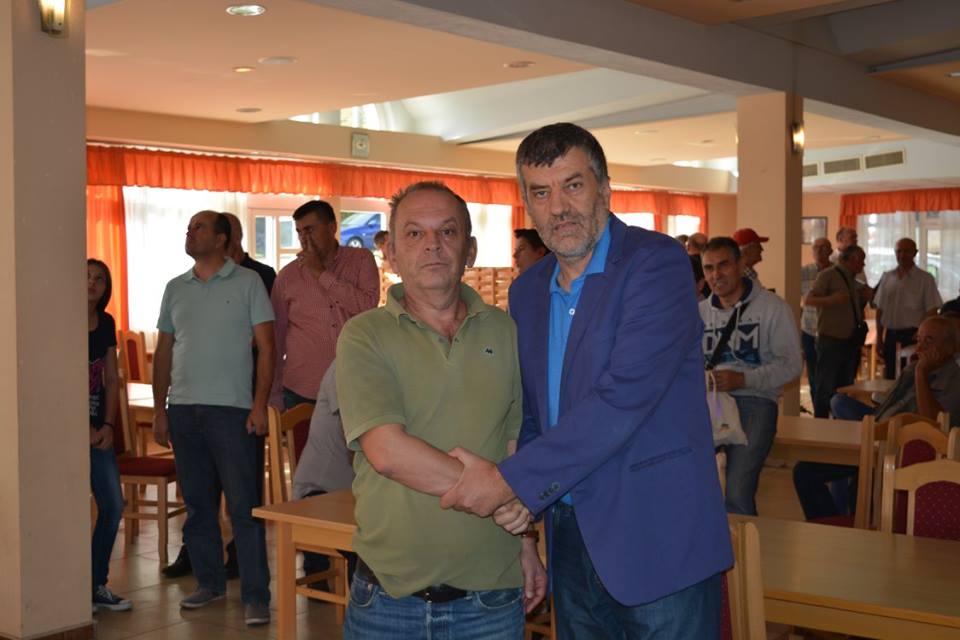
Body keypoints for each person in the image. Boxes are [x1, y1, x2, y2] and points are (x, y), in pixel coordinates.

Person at [439, 123, 731, 638]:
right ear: (528, 205)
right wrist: (524, 517)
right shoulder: (528, 291)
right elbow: (535, 413)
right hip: (570, 535)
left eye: (573, 185)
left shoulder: (656, 264)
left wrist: (508, 483)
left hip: (657, 532)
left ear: (605, 188)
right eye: (541, 193)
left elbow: (623, 398)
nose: (558, 208)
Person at [335, 181, 545, 640]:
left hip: (492, 595)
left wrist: (526, 539)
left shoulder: (507, 331)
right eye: (414, 233)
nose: (432, 244)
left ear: (470, 250)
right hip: (388, 597)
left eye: (447, 232)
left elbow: (515, 443)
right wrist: (500, 494)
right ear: (391, 254)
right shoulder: (363, 335)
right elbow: (387, 451)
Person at [152, 210, 275, 626]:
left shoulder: (248, 282)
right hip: (184, 410)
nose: (190, 233)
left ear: (222, 239)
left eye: (198, 227)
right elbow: (164, 351)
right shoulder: (175, 287)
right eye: (188, 228)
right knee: (198, 506)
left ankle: (256, 596)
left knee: (243, 508)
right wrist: (160, 409)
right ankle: (209, 583)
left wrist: (259, 404)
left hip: (233, 411)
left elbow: (267, 347)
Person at [793, 315, 960, 520]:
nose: (920, 347)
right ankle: (831, 524)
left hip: (898, 451)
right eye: (919, 340)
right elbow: (888, 404)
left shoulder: (953, 381)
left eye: (929, 340)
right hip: (875, 435)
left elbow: (933, 424)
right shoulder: (911, 369)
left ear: (950, 347)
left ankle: (841, 524)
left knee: (849, 484)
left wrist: (921, 375)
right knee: (804, 471)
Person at [700, 237, 802, 515]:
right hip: (708, 405)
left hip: (755, 402)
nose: (716, 275)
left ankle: (745, 544)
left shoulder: (773, 308)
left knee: (737, 491)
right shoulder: (698, 314)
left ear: (740, 265)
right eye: (709, 268)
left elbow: (792, 365)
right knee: (695, 489)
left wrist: (743, 380)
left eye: (723, 265)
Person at [270, 200, 379, 411]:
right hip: (301, 388)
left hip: (354, 383)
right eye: (299, 232)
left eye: (310, 230)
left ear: (332, 227)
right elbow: (277, 337)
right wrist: (274, 393)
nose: (304, 238)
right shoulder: (287, 276)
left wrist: (320, 273)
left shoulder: (361, 260)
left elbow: (368, 307)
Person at [87, 259, 133, 614]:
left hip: (99, 432)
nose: (92, 283)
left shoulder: (105, 323)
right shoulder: (60, 320)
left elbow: (113, 379)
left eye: (99, 279)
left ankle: (94, 584)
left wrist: (109, 426)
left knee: (114, 504)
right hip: (64, 431)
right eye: (86, 276)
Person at [291, 361, 357, 582]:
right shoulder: (345, 366)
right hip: (319, 492)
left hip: (349, 493)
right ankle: (362, 602)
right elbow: (356, 440)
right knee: (372, 546)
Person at [805, 245, 867, 418]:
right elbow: (808, 300)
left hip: (849, 341)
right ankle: (821, 423)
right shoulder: (828, 275)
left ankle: (840, 422)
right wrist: (831, 300)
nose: (863, 264)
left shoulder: (852, 279)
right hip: (831, 340)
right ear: (852, 259)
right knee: (825, 386)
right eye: (862, 260)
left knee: (845, 386)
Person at [874, 237, 943, 379]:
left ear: (915, 253)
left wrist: (922, 335)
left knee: (913, 378)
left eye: (906, 251)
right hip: (891, 336)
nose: (902, 255)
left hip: (914, 336)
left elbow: (932, 311)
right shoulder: (887, 277)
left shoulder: (925, 279)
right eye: (899, 251)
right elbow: (880, 310)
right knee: (891, 378)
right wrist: (879, 338)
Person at [800, 237, 833, 400]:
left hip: (831, 332)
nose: (819, 250)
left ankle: (830, 407)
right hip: (809, 331)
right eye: (816, 247)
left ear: (831, 251)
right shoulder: (803, 272)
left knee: (830, 375)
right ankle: (818, 408)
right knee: (813, 375)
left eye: (823, 247)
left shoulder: (837, 272)